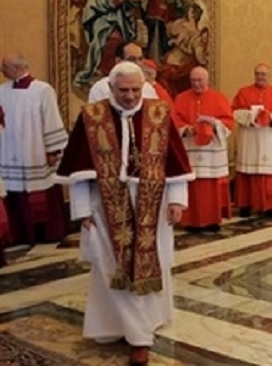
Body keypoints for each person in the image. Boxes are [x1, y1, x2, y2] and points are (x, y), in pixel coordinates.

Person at [56, 61, 194, 366]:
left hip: (153, 204)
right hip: (105, 204)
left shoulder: (159, 114)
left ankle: (140, 333)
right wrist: (81, 209)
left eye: (135, 89)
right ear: (110, 88)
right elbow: (78, 170)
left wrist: (177, 200)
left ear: (143, 86)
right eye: (123, 91)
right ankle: (119, 327)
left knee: (149, 264)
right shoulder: (92, 117)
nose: (130, 96)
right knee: (111, 266)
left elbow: (176, 161)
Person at [0, 54, 69, 247]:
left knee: (39, 188)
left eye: (4, 66)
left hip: (35, 149)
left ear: (17, 68)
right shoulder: (2, 90)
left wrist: (53, 150)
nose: (1, 70)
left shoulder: (42, 90)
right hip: (9, 148)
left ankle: (44, 232)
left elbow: (51, 118)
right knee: (11, 188)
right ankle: (17, 233)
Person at [174, 67, 233, 229]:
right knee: (191, 183)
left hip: (212, 152)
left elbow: (228, 122)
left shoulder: (219, 98)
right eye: (193, 80)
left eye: (200, 80)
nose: (196, 84)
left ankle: (211, 220)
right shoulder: (181, 98)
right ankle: (191, 220)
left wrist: (213, 123)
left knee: (210, 185)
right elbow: (174, 120)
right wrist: (186, 129)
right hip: (190, 147)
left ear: (207, 80)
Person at [232, 64, 272, 218]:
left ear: (269, 76)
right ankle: (245, 204)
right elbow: (235, 111)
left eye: (263, 74)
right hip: (249, 136)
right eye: (257, 74)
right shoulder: (243, 92)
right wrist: (252, 116)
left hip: (268, 137)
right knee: (247, 170)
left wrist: (269, 117)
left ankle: (268, 205)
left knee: (267, 171)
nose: (260, 77)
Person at [89, 41, 158, 102]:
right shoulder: (100, 88)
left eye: (140, 59)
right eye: (132, 59)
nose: (138, 64)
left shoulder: (148, 88)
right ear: (118, 61)